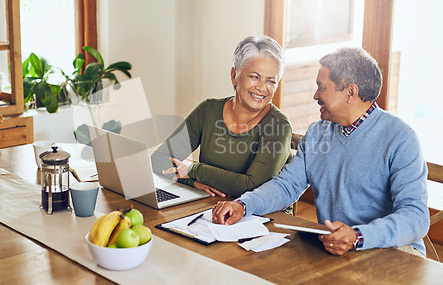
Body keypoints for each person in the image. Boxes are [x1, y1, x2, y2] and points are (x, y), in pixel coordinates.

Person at [212, 47, 430, 257]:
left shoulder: (400, 138)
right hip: (335, 249)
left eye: (321, 87)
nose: (315, 95)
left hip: (392, 253)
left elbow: (416, 218)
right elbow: (286, 185)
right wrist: (243, 205)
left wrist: (357, 237)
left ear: (350, 92)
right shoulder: (318, 132)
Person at [151, 36, 292, 200]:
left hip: (262, 216)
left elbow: (253, 186)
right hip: (209, 206)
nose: (262, 88)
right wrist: (193, 182)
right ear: (234, 75)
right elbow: (158, 160)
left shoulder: (279, 126)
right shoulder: (207, 110)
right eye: (254, 77)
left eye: (271, 81)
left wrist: (193, 170)